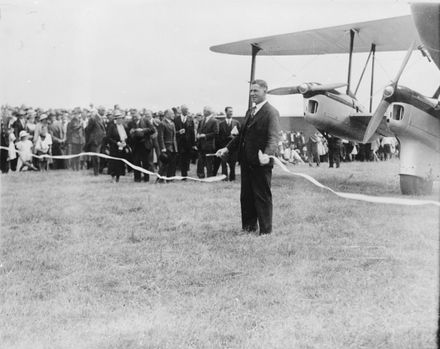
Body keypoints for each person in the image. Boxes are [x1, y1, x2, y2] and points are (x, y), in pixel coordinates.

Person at [216, 79, 280, 236]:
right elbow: (241, 136)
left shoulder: (271, 112)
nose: (252, 94)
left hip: (261, 162)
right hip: (246, 161)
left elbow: (273, 137)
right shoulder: (249, 112)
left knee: (262, 196)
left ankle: (265, 231)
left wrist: (267, 154)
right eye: (251, 91)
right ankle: (249, 227)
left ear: (265, 91)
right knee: (246, 196)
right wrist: (227, 148)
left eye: (256, 91)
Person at [127, 110, 156, 182]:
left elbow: (153, 130)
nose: (134, 118)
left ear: (139, 115)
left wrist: (143, 130)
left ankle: (146, 178)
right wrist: (130, 132)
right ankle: (137, 178)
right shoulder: (130, 123)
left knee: (145, 163)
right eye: (133, 116)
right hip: (135, 146)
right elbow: (128, 134)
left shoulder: (146, 121)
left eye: (136, 116)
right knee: (136, 162)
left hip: (145, 145)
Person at [216, 106, 240, 180]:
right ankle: (224, 177)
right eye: (229, 111)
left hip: (233, 147)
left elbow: (239, 135)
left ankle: (232, 178)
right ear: (226, 112)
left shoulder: (236, 123)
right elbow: (219, 136)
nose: (231, 113)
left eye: (232, 111)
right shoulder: (221, 124)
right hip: (223, 146)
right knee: (224, 163)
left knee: (232, 164)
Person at [106, 110, 129, 183]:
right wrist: (116, 143)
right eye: (119, 118)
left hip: (122, 147)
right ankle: (113, 177)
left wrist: (125, 143)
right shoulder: (112, 126)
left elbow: (126, 136)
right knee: (113, 163)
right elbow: (109, 138)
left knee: (120, 163)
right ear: (116, 119)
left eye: (121, 118)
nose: (120, 120)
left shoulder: (123, 126)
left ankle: (118, 177)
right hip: (114, 148)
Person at [196, 106, 219, 178]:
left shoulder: (214, 121)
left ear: (208, 112)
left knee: (209, 162)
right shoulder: (202, 121)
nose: (203, 112)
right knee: (200, 161)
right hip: (201, 145)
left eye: (205, 110)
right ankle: (201, 175)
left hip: (209, 145)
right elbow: (199, 130)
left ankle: (209, 176)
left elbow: (216, 133)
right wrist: (198, 134)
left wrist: (205, 135)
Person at [174, 104, 196, 177]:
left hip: (188, 143)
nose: (187, 111)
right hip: (179, 142)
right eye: (185, 109)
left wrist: (193, 144)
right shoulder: (176, 119)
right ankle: (183, 173)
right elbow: (174, 131)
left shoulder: (190, 119)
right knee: (181, 158)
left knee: (187, 158)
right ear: (181, 110)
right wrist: (178, 132)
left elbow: (192, 133)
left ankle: (185, 173)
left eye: (187, 109)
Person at [157, 109, 178, 182]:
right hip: (167, 146)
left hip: (173, 147)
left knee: (172, 164)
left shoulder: (172, 123)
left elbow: (173, 135)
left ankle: (170, 179)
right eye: (172, 114)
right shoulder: (162, 123)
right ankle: (160, 179)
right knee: (165, 164)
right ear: (167, 114)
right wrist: (163, 147)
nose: (173, 115)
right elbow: (160, 137)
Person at [84, 107, 107, 175]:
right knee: (96, 158)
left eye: (104, 110)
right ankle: (96, 172)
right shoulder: (93, 119)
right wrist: (92, 138)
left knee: (101, 157)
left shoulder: (101, 118)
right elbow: (87, 129)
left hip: (102, 141)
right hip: (95, 141)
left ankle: (100, 170)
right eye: (103, 110)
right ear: (99, 111)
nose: (104, 111)